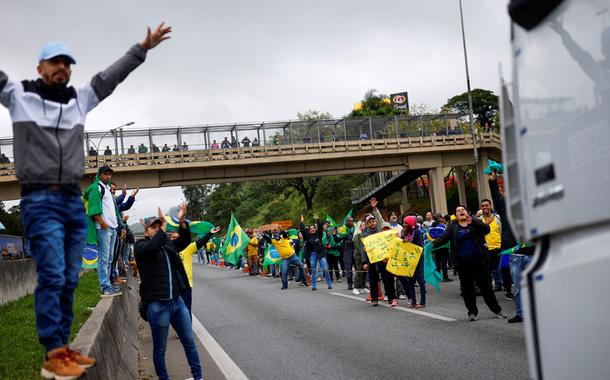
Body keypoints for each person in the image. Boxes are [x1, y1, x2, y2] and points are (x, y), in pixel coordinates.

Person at [0, 23, 171, 379]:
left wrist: (142, 48)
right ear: (40, 68)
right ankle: (53, 351)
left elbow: (111, 77)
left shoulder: (79, 99)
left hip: (70, 202)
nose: (62, 67)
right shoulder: (19, 96)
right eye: (55, 62)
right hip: (40, 199)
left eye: (68, 63)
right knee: (51, 274)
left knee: (68, 278)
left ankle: (62, 347)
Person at [134, 204, 202, 380]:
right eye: (154, 227)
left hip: (177, 303)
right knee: (160, 348)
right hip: (157, 305)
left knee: (190, 342)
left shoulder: (167, 244)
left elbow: (185, 242)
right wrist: (163, 228)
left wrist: (181, 222)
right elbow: (152, 248)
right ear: (146, 231)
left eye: (159, 226)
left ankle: (198, 377)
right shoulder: (141, 246)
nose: (158, 230)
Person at [431, 205, 507, 321]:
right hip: (462, 265)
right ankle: (472, 312)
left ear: (467, 212)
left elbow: (486, 229)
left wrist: (474, 221)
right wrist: (430, 245)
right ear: (455, 215)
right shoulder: (453, 227)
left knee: (486, 288)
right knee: (467, 290)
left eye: (463, 209)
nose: (461, 211)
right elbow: (442, 238)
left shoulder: (475, 223)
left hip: (480, 263)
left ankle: (497, 309)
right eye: (458, 210)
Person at [488, 170, 535, 323]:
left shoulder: (534, 209)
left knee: (536, 286)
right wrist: (493, 182)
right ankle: (521, 313)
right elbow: (497, 197)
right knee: (518, 288)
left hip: (533, 254)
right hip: (516, 256)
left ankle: (539, 312)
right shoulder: (507, 211)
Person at [83, 166, 124, 297]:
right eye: (106, 174)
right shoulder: (97, 188)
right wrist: (102, 223)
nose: (108, 176)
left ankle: (109, 285)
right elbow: (93, 210)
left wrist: (119, 226)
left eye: (110, 174)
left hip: (112, 228)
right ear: (100, 175)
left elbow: (115, 211)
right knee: (104, 258)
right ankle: (105, 288)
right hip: (103, 229)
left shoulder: (107, 190)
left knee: (110, 258)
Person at [176, 225, 221, 316]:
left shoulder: (187, 249)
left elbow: (200, 242)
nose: (176, 240)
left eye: (177, 237)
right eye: (173, 238)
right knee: (175, 315)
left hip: (186, 286)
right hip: (173, 288)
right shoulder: (168, 250)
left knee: (186, 311)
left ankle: (187, 329)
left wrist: (209, 233)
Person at [360, 197, 394, 306]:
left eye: (373, 220)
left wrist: (375, 209)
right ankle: (374, 298)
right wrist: (364, 262)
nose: (372, 223)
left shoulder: (380, 230)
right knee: (373, 279)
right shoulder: (365, 235)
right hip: (372, 260)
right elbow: (363, 249)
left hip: (383, 259)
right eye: (370, 222)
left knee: (387, 278)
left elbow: (380, 219)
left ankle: (391, 298)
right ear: (367, 223)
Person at [479, 198, 511, 296]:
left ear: (490, 206)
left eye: (487, 205)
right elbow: (479, 233)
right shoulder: (479, 220)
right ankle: (493, 288)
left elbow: (503, 230)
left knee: (505, 268)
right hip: (487, 249)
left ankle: (508, 290)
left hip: (501, 249)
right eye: (483, 206)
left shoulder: (497, 218)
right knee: (488, 271)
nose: (485, 207)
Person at [300, 214, 332, 290]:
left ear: (315, 228)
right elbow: (302, 230)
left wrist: (318, 219)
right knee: (313, 270)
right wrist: (302, 222)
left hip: (320, 254)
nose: (312, 229)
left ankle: (329, 284)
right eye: (311, 228)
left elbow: (320, 227)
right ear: (309, 230)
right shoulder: (307, 236)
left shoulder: (319, 234)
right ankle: (314, 286)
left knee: (325, 268)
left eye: (313, 228)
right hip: (312, 254)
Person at [402, 215, 426, 308]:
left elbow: (420, 246)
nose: (404, 224)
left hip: (418, 258)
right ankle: (413, 302)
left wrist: (409, 243)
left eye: (406, 223)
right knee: (410, 281)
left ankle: (423, 302)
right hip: (409, 259)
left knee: (420, 281)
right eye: (403, 222)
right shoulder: (406, 232)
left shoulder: (417, 232)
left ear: (411, 223)